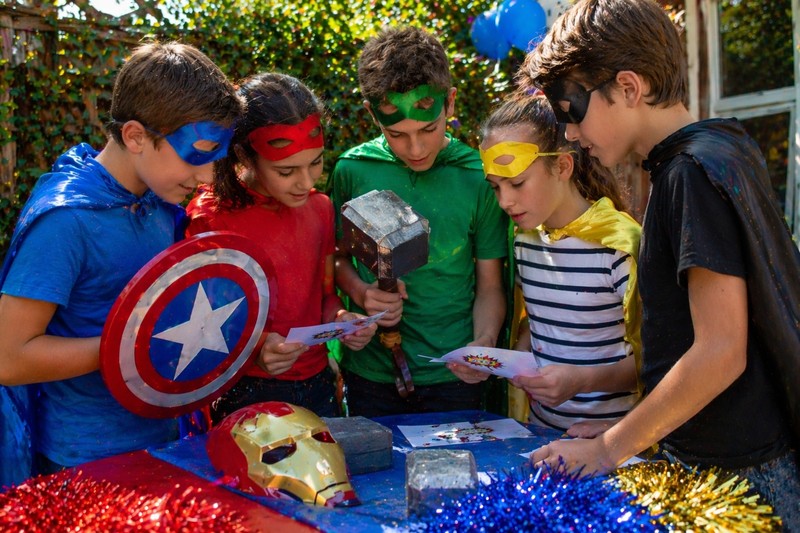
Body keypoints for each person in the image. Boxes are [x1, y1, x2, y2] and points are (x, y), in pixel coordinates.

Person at [520, 0, 800, 526]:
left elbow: (721, 351)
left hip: (736, 479)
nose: (572, 136)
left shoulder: (687, 174)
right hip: (731, 457)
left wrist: (608, 448)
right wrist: (636, 434)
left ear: (629, 87)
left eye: (572, 110)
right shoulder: (725, 147)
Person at [0, 41, 243, 484]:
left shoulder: (155, 202)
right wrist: (130, 348)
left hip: (164, 442)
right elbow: (10, 358)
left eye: (217, 158)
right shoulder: (66, 222)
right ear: (135, 137)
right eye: (197, 154)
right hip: (85, 461)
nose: (208, 177)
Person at [328, 26, 509, 417]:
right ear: (373, 116)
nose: (416, 147)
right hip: (371, 376)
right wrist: (361, 293)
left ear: (451, 104)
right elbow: (336, 259)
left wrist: (483, 342)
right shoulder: (353, 170)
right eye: (397, 134)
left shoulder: (477, 175)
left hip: (453, 376)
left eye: (429, 128)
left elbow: (490, 285)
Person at [186, 72, 376, 421]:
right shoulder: (210, 218)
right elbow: (199, 322)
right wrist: (257, 348)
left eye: (316, 163)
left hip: (318, 384)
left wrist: (342, 319)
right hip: (246, 390)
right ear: (244, 153)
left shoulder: (320, 209)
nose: (307, 182)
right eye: (287, 171)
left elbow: (325, 296)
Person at [479, 93, 641, 438]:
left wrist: (583, 380)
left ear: (563, 167)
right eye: (496, 187)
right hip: (542, 434)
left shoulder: (619, 246)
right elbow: (538, 323)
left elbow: (660, 359)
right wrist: (506, 362)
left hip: (614, 439)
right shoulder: (525, 240)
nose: (505, 201)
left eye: (518, 183)